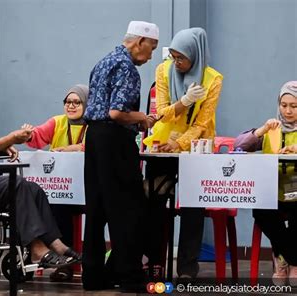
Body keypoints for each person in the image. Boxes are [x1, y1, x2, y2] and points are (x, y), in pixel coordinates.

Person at [0, 82, 82, 269]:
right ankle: (37, 250)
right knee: (17, 184)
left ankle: (56, 244)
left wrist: (3, 146)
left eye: (77, 102)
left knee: (33, 188)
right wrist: (14, 138)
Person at [81, 21, 159, 292]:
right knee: (128, 209)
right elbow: (116, 112)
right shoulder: (126, 67)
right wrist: (143, 118)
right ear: (139, 41)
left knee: (97, 207)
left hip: (93, 139)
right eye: (151, 47)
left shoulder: (103, 62)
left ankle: (92, 275)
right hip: (115, 140)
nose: (150, 55)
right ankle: (128, 277)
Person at [143, 27, 223, 281]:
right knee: (154, 203)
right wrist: (184, 102)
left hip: (196, 148)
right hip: (162, 145)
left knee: (193, 208)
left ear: (195, 55)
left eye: (181, 58)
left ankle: (188, 269)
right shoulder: (163, 70)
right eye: (173, 56)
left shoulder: (213, 79)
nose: (176, 63)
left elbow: (202, 123)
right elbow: (162, 112)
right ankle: (154, 264)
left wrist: (180, 145)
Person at [21, 84, 88, 281]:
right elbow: (38, 137)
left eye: (77, 102)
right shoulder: (58, 122)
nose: (71, 106)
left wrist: (74, 148)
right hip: (62, 187)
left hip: (86, 186)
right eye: (68, 102)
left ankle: (81, 262)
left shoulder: (95, 124)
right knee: (56, 207)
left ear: (87, 104)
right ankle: (61, 263)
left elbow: (94, 145)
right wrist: (29, 134)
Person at [234, 81, 297, 286]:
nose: (288, 111)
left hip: (296, 192)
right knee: (261, 210)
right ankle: (291, 259)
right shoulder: (272, 129)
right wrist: (261, 130)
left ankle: (287, 261)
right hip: (273, 192)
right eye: (284, 105)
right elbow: (239, 146)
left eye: (294, 106)